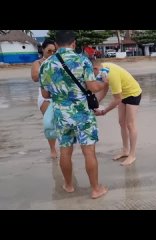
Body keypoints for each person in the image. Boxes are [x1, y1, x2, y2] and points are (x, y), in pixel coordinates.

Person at [39, 30, 108, 199]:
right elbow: (93, 87)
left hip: (61, 115)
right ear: (74, 43)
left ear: (56, 44)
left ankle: (69, 185)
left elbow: (45, 95)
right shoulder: (82, 60)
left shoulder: (46, 65)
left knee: (65, 151)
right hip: (82, 114)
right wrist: (103, 82)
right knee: (89, 152)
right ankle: (95, 189)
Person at [93, 61, 142, 166]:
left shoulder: (111, 74)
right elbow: (104, 89)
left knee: (130, 124)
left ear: (95, 68)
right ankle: (125, 150)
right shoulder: (102, 70)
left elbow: (117, 100)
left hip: (133, 93)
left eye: (90, 73)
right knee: (121, 122)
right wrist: (95, 104)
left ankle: (132, 155)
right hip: (123, 94)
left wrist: (104, 111)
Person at [31, 39, 57, 159]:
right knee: (49, 124)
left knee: (61, 123)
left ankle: (64, 146)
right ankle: (52, 149)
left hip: (58, 95)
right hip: (44, 95)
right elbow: (35, 78)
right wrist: (46, 67)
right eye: (49, 51)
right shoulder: (38, 63)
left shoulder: (58, 61)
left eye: (54, 51)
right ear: (43, 50)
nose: (51, 53)